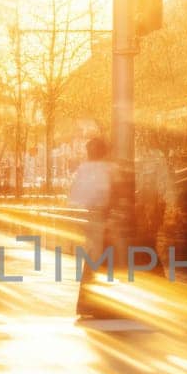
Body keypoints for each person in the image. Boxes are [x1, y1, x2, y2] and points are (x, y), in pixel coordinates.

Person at [66, 136, 115, 318]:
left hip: (93, 218)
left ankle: (88, 303)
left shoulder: (85, 169)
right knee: (102, 259)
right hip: (103, 218)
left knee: (94, 259)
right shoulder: (107, 169)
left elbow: (76, 197)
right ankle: (97, 303)